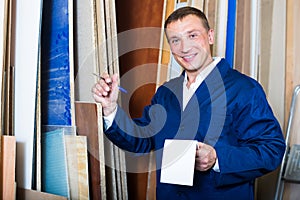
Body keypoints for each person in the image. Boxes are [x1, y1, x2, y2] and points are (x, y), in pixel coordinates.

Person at [92, 6, 286, 200]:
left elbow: (272, 150)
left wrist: (217, 158)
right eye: (175, 40)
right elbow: (141, 139)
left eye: (192, 36)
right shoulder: (166, 93)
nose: (184, 48)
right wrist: (110, 108)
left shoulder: (244, 89)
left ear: (210, 36)